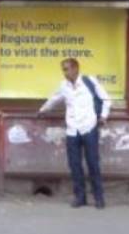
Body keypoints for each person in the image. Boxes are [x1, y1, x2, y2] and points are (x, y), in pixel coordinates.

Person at [38, 57, 110, 209]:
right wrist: (42, 110)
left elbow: (106, 99)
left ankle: (99, 198)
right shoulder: (63, 86)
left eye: (67, 69)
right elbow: (54, 99)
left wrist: (103, 116)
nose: (65, 72)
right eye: (63, 69)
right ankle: (80, 197)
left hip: (89, 127)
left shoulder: (89, 82)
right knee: (74, 165)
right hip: (72, 130)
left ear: (76, 68)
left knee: (93, 164)